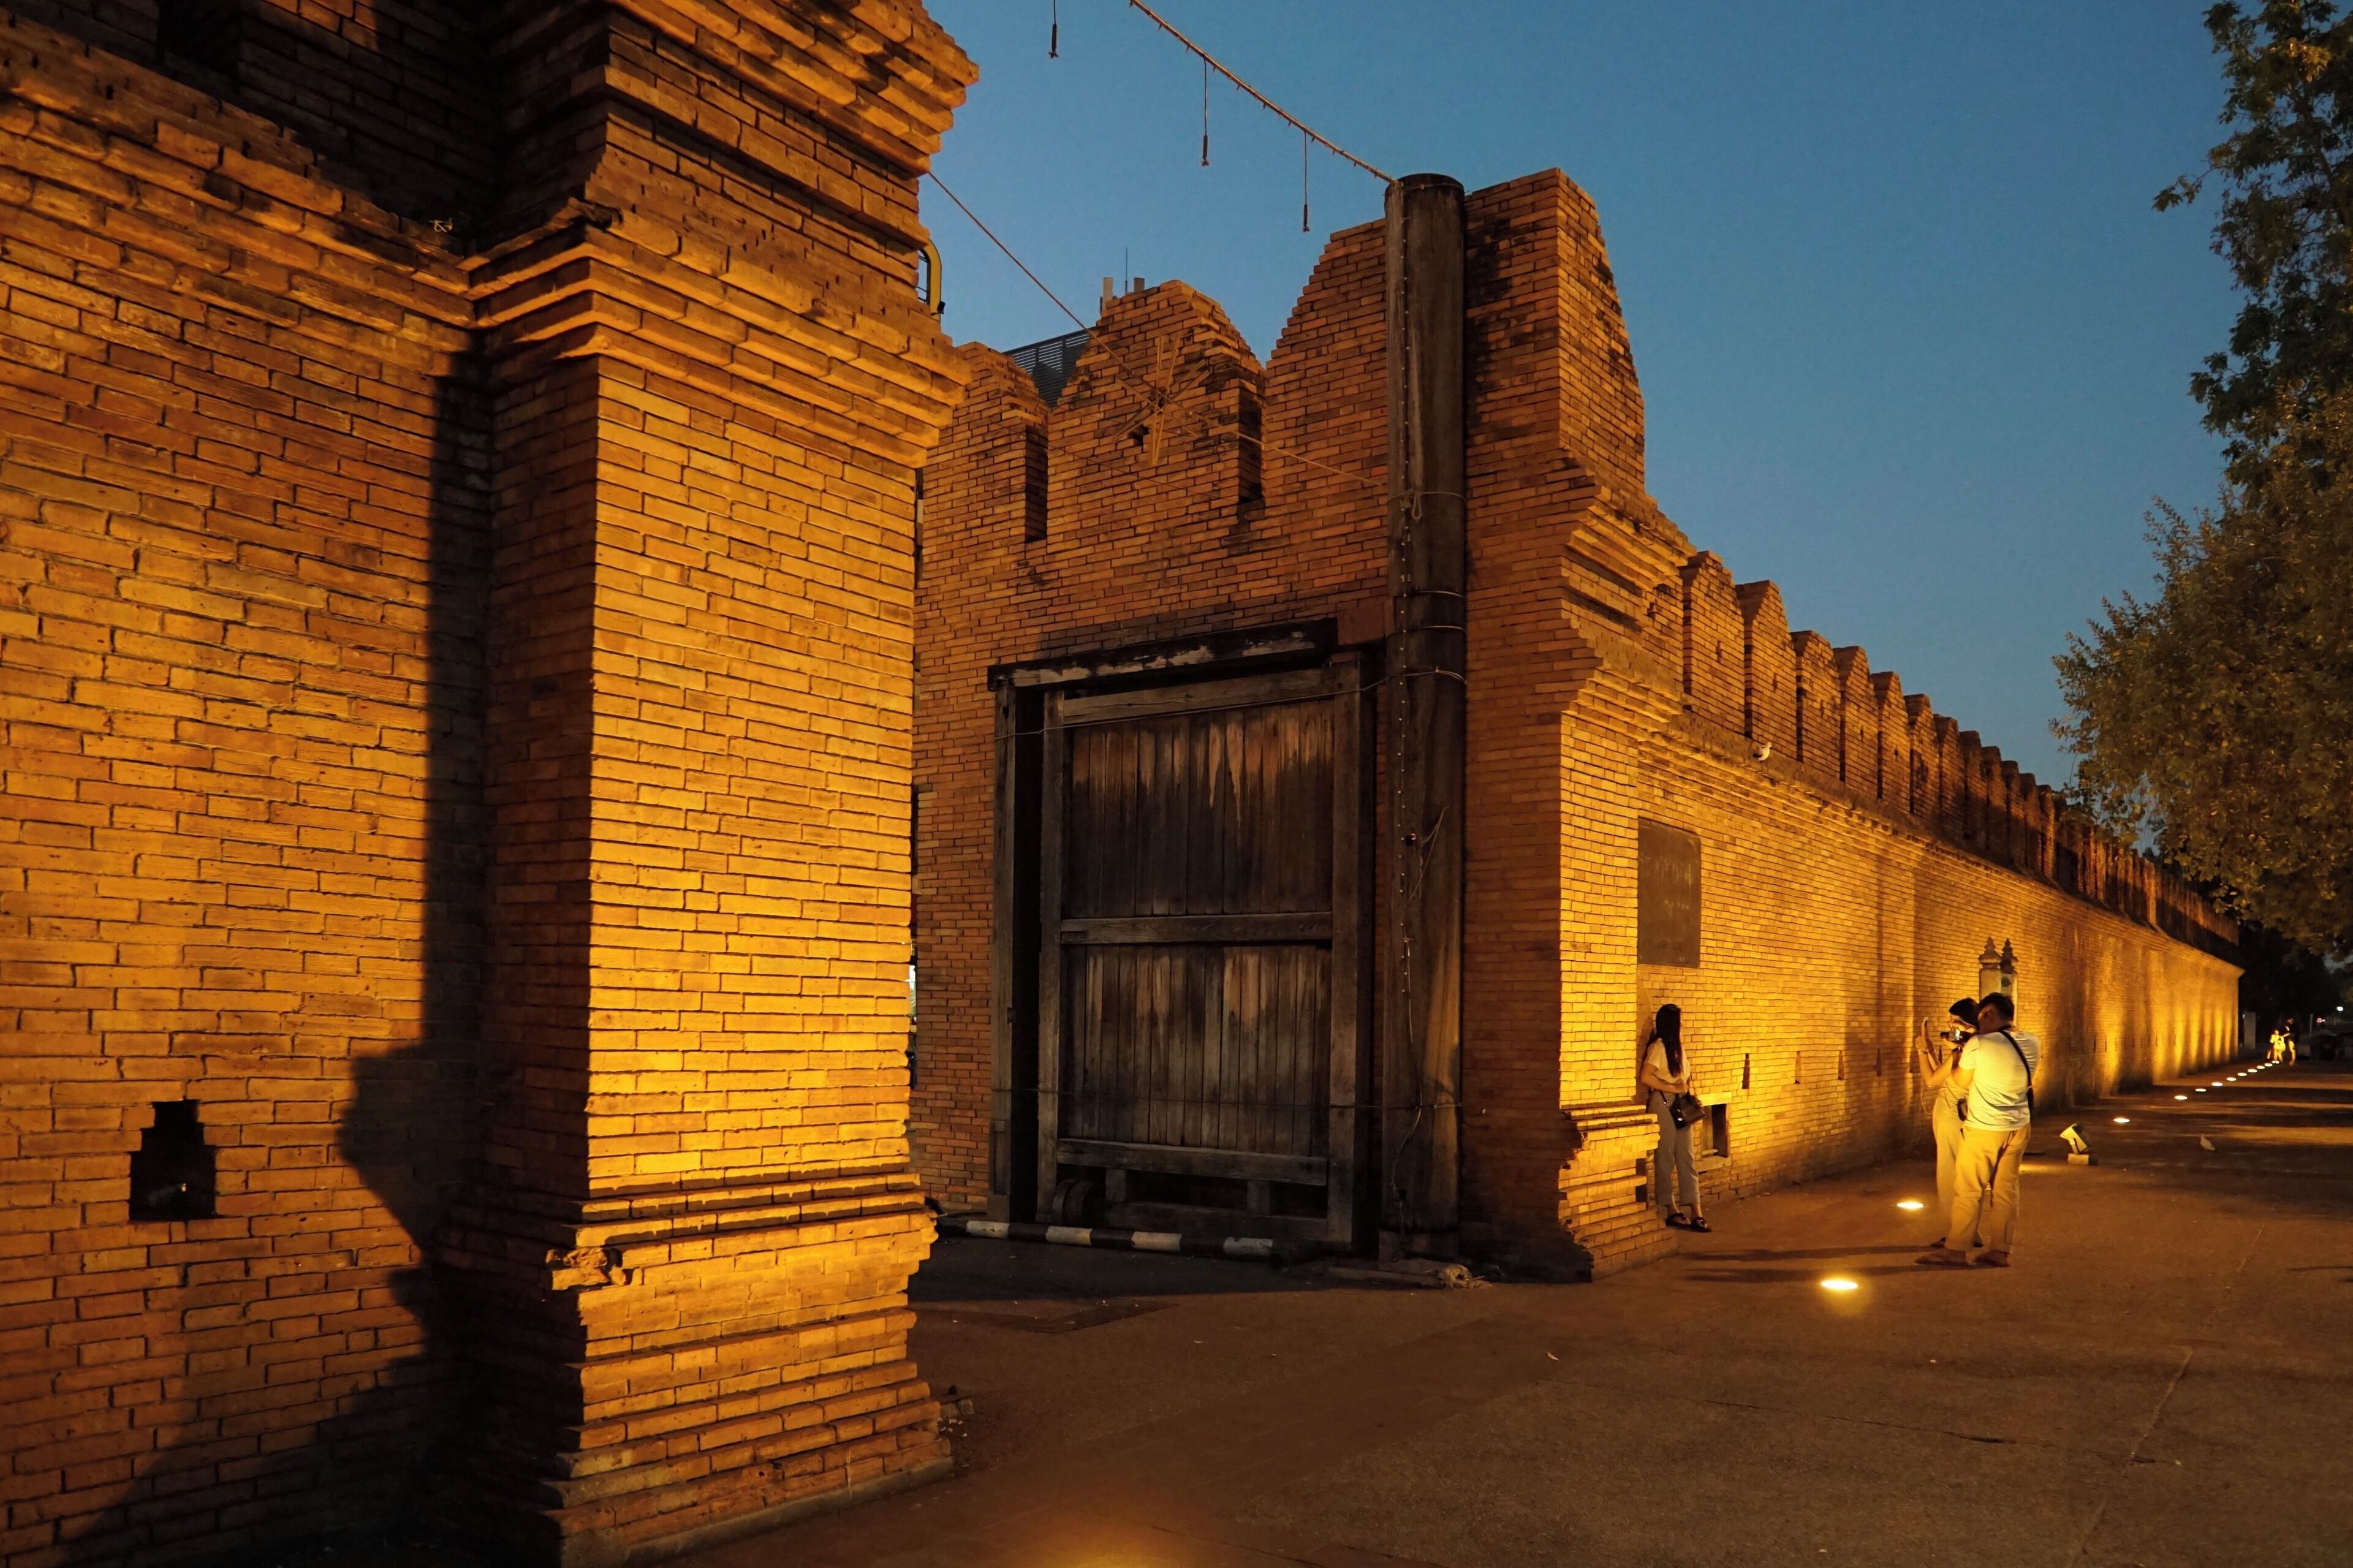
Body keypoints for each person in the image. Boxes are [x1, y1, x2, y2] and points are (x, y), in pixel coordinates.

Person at [1918, 993, 2040, 1269]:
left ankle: (1956, 1249)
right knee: (2006, 1190)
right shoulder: (2032, 1041)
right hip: (2019, 1125)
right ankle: (2000, 1250)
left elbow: (1960, 1081)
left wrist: (1961, 1051)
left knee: (1969, 1189)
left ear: (1989, 1015)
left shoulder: (1979, 1044)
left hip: (1985, 1126)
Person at [1914, 998, 1982, 1249]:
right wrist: (1931, 1050)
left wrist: (1922, 1050)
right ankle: (1969, 1231)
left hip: (1953, 1117)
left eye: (1955, 1022)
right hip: (1961, 1117)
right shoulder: (1973, 1049)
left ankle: (1956, 1234)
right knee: (1965, 1177)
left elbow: (1932, 1080)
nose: (1951, 1026)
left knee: (1949, 1177)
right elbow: (1945, 1076)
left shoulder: (1965, 1052)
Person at [1639, 1004, 1709, 1233]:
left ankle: (1696, 1211)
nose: (1683, 1025)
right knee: (1665, 1157)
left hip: (1680, 1103)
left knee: (1687, 1158)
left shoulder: (1678, 1048)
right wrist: (1672, 1086)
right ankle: (1671, 1208)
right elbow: (1646, 1077)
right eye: (1679, 1021)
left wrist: (1682, 1088)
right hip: (1663, 1102)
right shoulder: (1658, 1048)